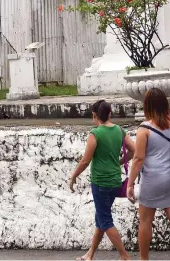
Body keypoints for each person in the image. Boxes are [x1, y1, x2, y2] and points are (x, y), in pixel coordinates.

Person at [127, 88, 170, 260]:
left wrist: (130, 183)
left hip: (152, 179)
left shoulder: (144, 129)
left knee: (145, 222)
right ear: (165, 103)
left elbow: (138, 159)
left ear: (147, 106)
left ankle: (144, 258)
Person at [69, 100, 135, 261]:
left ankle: (124, 256)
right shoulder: (119, 130)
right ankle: (90, 254)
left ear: (94, 115)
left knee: (105, 220)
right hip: (114, 182)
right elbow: (134, 150)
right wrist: (118, 162)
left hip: (100, 183)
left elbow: (85, 161)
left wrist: (73, 176)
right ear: (110, 114)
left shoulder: (96, 133)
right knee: (101, 218)